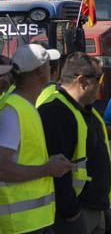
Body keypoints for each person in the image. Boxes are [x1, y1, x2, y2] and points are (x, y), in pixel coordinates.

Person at [0, 44, 75, 234]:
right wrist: (47, 169)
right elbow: (2, 168)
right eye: (48, 65)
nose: (52, 69)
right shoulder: (13, 111)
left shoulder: (23, 106)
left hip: (33, 222)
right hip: (19, 225)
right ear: (41, 72)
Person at [38, 53, 111, 234]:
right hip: (76, 213)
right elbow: (57, 170)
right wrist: (72, 213)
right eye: (99, 78)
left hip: (96, 207)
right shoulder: (56, 112)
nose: (102, 83)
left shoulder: (86, 110)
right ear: (81, 81)